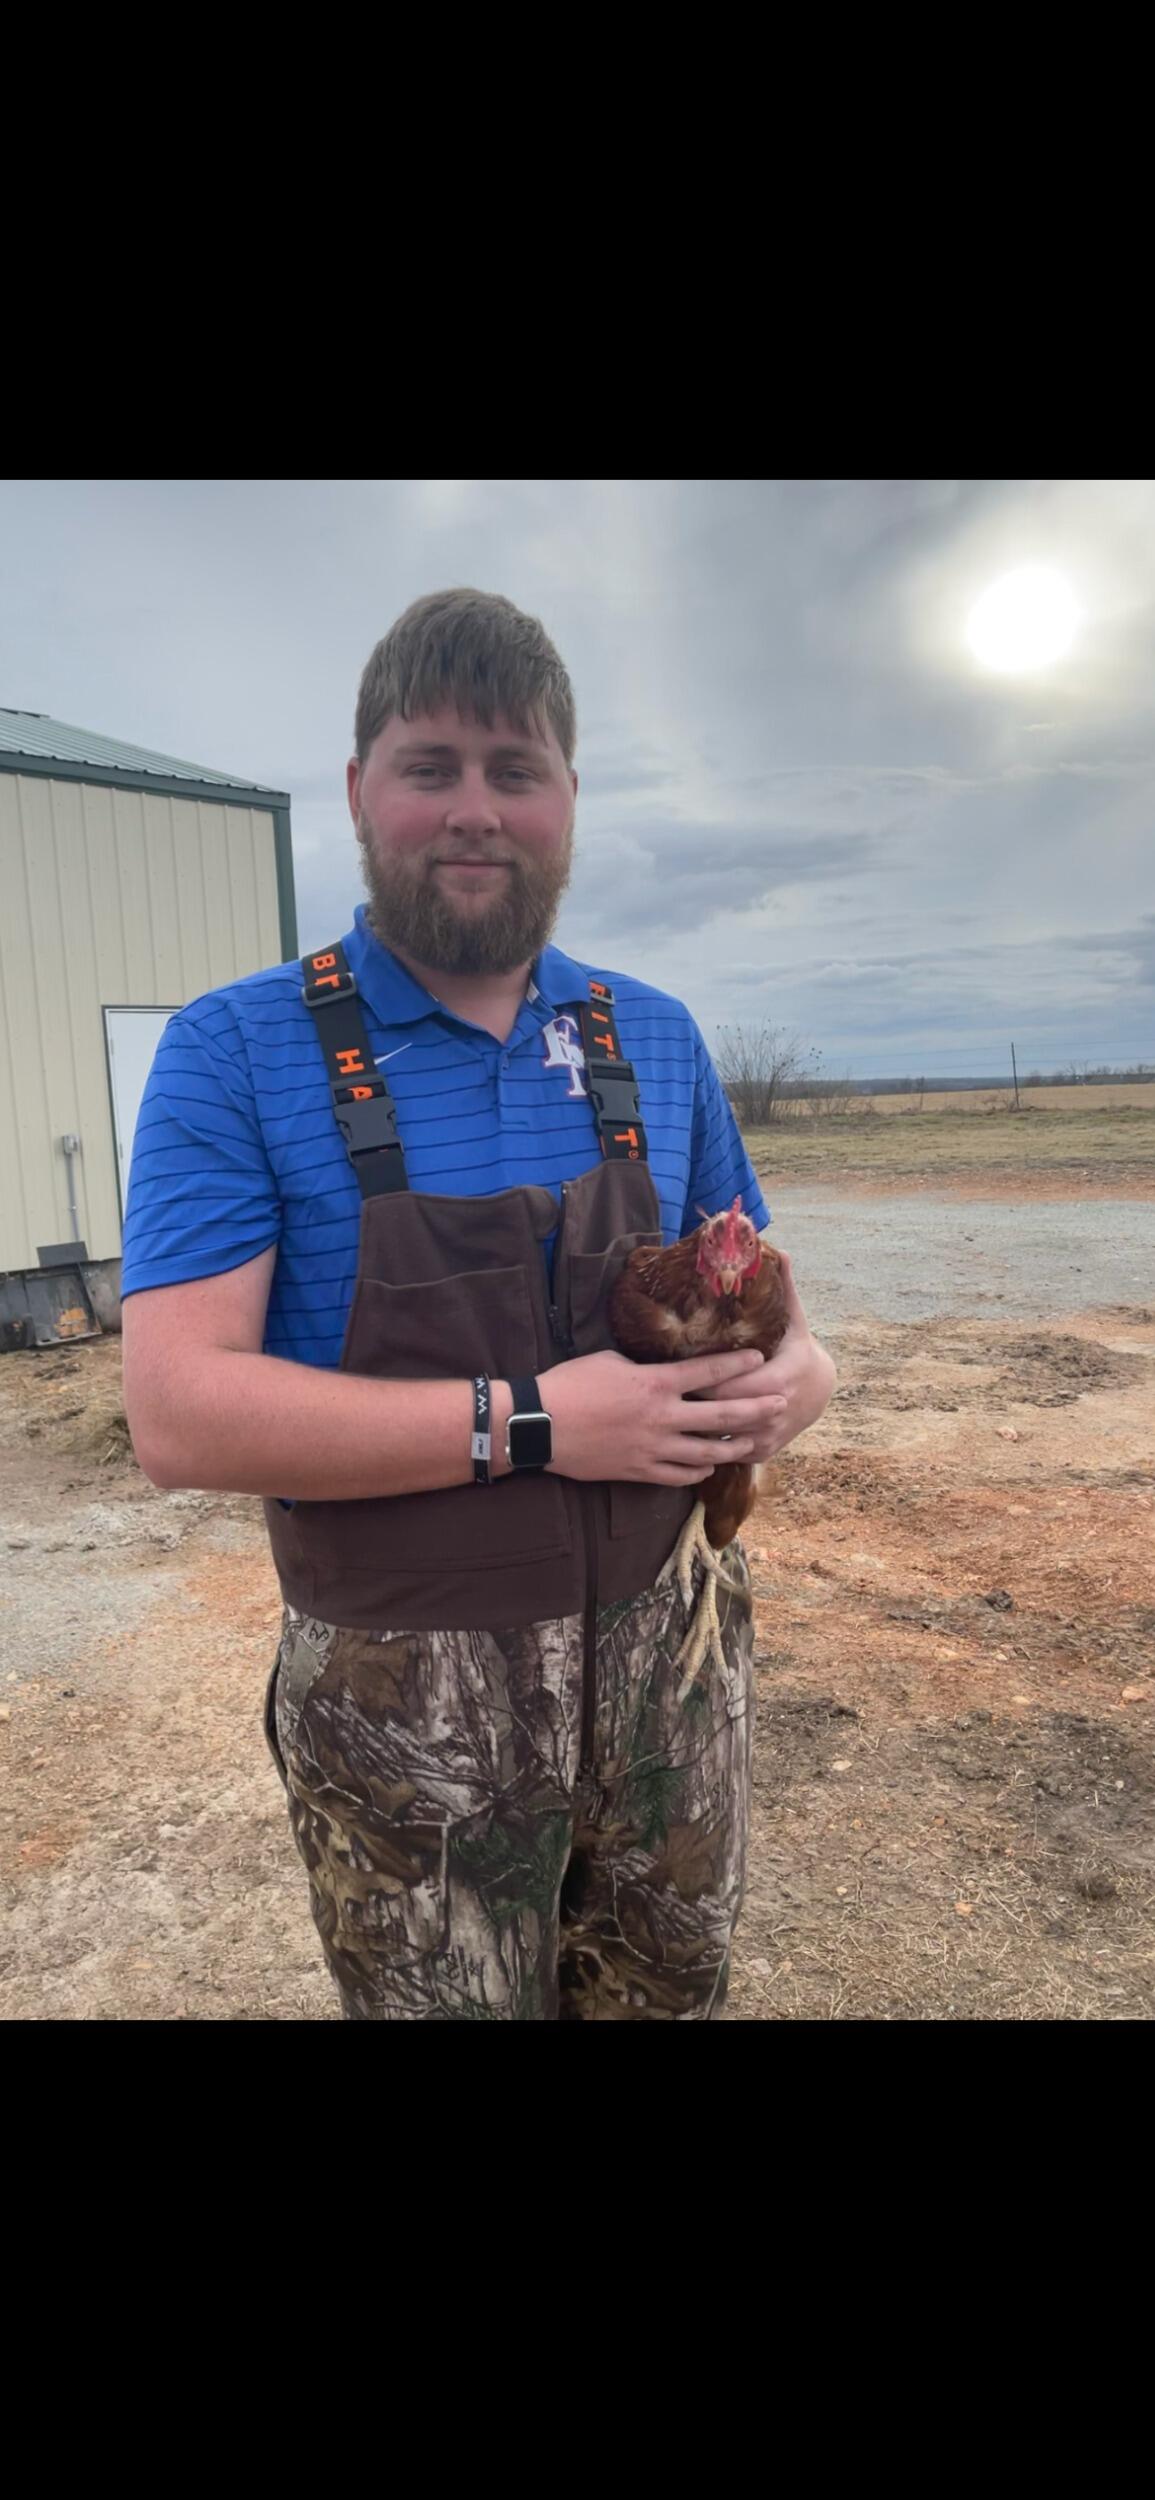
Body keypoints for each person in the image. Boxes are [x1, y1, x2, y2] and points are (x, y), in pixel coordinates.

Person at [121, 587, 836, 2021]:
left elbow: (780, 1320)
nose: (474, 810)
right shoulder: (237, 1052)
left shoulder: (656, 1040)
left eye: (516, 772)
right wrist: (532, 1426)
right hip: (409, 1717)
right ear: (357, 789)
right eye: (429, 767)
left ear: (569, 798)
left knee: (667, 1998)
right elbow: (179, 1412)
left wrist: (796, 1383)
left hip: (675, 1672)